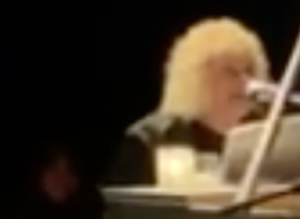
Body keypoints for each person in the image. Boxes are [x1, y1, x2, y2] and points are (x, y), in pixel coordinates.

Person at [107, 18, 269, 186]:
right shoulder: (149, 140)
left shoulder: (266, 138)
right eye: (230, 72)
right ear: (197, 77)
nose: (246, 83)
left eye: (249, 71)